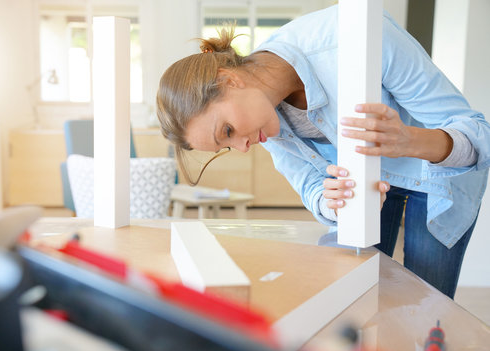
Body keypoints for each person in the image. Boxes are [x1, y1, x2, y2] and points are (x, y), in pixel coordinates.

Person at [156, 5, 490, 299]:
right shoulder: (262, 115)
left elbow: (478, 134)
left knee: (425, 306)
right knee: (363, 301)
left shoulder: (353, 39)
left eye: (227, 131)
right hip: (371, 186)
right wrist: (329, 200)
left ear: (229, 79)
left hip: (437, 175)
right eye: (226, 146)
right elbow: (308, 183)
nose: (242, 148)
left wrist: (408, 140)